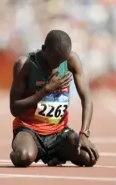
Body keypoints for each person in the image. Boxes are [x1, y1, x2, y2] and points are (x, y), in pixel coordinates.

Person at [10, 29, 99, 168]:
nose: (58, 64)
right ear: (44, 49)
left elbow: (86, 97)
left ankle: (55, 154)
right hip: (29, 130)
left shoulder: (71, 61)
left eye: (62, 60)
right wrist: (45, 91)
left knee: (89, 157)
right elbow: (14, 108)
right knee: (23, 156)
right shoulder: (25, 65)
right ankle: (24, 148)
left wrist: (83, 133)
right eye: (55, 59)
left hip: (58, 133)